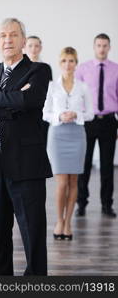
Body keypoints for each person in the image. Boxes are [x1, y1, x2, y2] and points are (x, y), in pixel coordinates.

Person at [0, 18, 52, 275]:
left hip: (26, 162)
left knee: (32, 231)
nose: (8, 40)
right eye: (3, 36)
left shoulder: (38, 70)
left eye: (13, 35)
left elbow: (31, 101)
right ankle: (1, 278)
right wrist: (11, 106)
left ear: (23, 40)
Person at [43, 47, 94, 240]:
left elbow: (90, 113)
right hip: (57, 135)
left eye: (71, 60)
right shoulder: (51, 87)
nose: (68, 64)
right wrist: (59, 115)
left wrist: (76, 114)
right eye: (64, 60)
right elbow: (45, 113)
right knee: (62, 182)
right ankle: (59, 221)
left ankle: (68, 222)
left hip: (77, 135)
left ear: (76, 63)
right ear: (60, 63)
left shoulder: (83, 87)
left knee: (74, 181)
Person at [75, 33, 118, 218]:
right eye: (99, 45)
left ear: (109, 47)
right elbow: (76, 96)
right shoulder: (83, 69)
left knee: (107, 166)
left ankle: (107, 205)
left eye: (105, 45)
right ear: (94, 47)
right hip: (88, 121)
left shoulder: (116, 70)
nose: (102, 48)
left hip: (109, 120)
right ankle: (81, 203)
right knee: (84, 164)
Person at [24, 35, 52, 146]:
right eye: (30, 45)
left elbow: (48, 91)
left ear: (40, 48)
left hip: (42, 113)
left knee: (41, 145)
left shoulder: (45, 68)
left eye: (36, 46)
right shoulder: (19, 67)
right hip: (23, 113)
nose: (33, 49)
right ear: (24, 47)